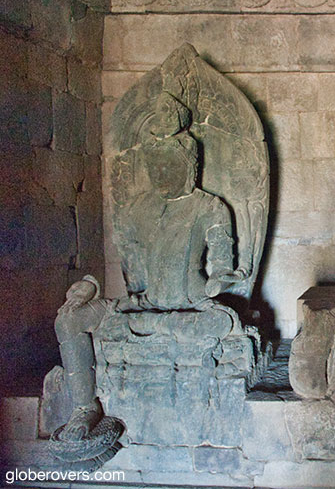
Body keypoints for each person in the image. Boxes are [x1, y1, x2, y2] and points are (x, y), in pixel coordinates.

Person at [53, 93, 245, 441]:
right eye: (154, 165)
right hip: (140, 306)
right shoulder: (136, 209)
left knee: (217, 324)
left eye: (169, 164)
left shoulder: (210, 208)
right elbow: (122, 272)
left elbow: (221, 267)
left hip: (191, 308)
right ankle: (84, 408)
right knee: (68, 319)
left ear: (191, 166)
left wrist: (222, 281)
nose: (160, 172)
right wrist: (89, 286)